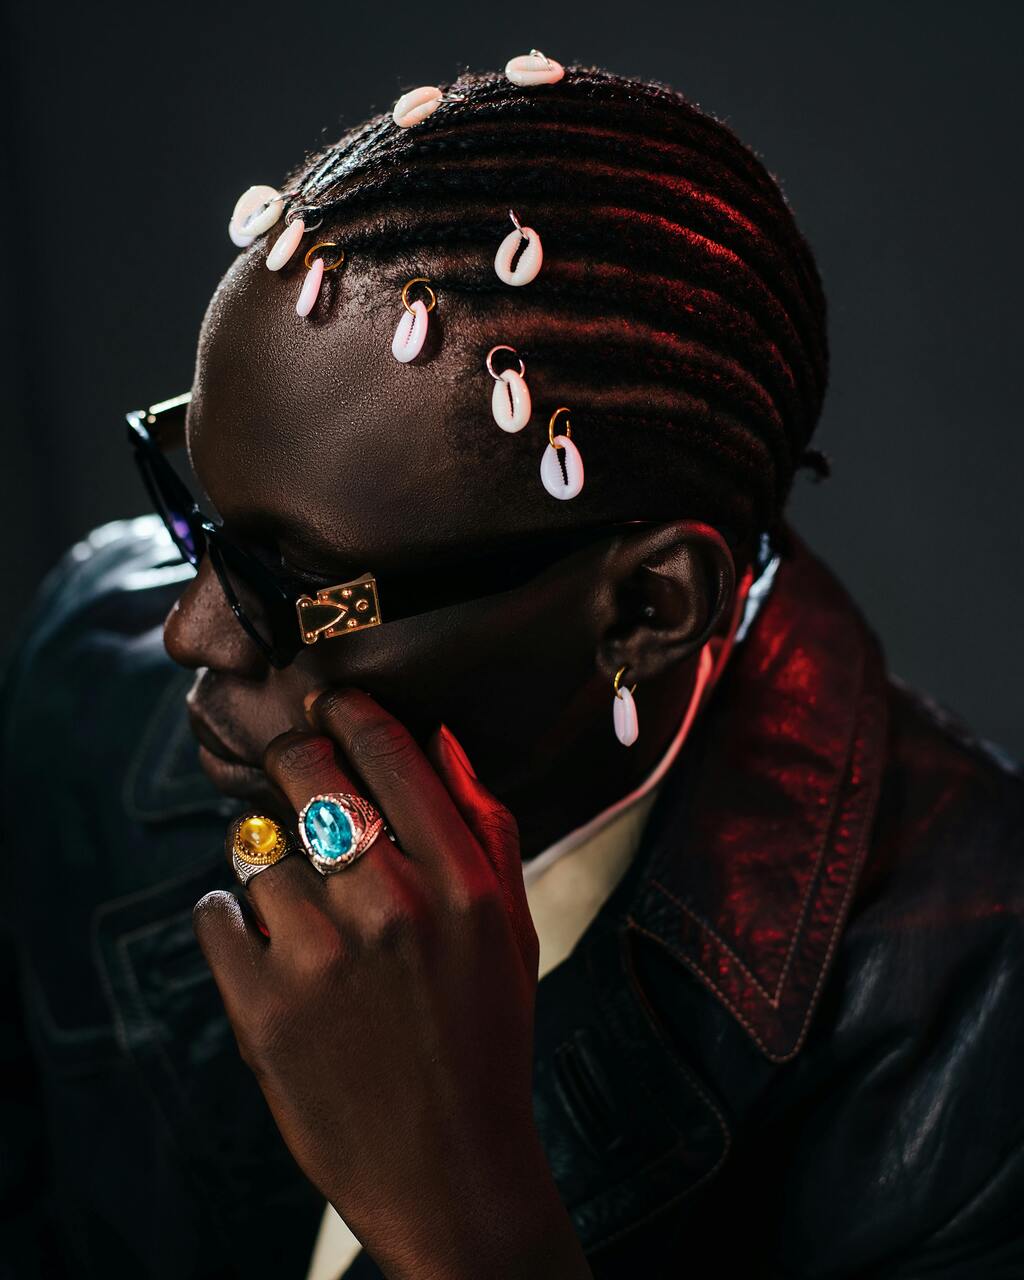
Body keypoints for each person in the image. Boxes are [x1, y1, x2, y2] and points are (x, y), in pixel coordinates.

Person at [1, 61, 1022, 1280]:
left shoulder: (979, 1031)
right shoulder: (89, 681)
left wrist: (464, 1212)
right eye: (196, 511)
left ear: (645, 607)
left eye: (290, 578)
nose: (191, 631)